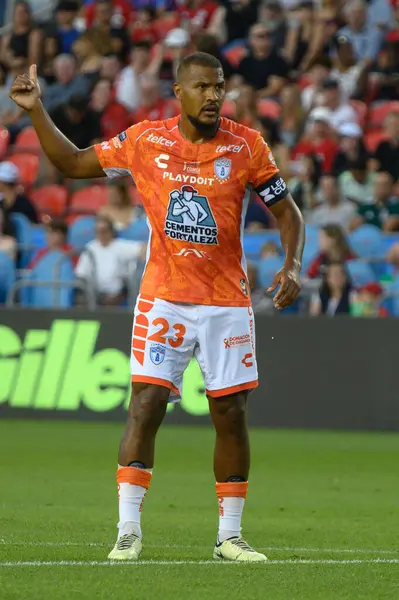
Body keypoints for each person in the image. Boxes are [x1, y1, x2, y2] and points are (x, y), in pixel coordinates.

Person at [10, 52, 304, 563]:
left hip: (225, 302)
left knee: (230, 414)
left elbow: (288, 213)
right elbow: (74, 161)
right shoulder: (146, 140)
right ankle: (128, 530)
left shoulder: (247, 145)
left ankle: (229, 537)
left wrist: (292, 264)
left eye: (219, 87)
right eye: (203, 87)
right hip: (163, 298)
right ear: (179, 92)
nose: (214, 95)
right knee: (144, 408)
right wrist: (36, 110)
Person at [76, 215, 142, 305]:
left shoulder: (120, 246)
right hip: (94, 293)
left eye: (104, 231)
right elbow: (81, 274)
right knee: (80, 300)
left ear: (111, 231)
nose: (101, 234)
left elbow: (143, 248)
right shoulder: (90, 248)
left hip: (116, 294)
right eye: (97, 231)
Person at [237, 23, 290, 96]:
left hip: (270, 100)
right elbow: (237, 82)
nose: (266, 38)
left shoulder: (278, 62)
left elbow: (275, 88)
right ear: (251, 40)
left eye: (268, 35)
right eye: (261, 36)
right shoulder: (245, 62)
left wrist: (253, 97)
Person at [372, 111, 399, 181]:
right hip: (384, 182)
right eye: (389, 124)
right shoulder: (382, 146)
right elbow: (375, 165)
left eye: (395, 124)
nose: (392, 128)